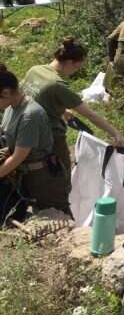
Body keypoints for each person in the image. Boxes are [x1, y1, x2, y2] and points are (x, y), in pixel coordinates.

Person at [21, 37, 124, 215]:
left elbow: (34, 98)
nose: (77, 71)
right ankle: (61, 212)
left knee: (35, 172)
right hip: (51, 139)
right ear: (69, 62)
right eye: (78, 66)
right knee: (60, 178)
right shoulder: (58, 85)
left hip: (27, 133)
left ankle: (36, 200)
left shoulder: (35, 70)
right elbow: (91, 115)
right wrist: (115, 133)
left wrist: (61, 111)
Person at [0, 64, 61, 216]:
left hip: (42, 177)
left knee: (57, 217)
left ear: (6, 93)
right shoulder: (10, 107)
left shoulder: (29, 115)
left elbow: (19, 156)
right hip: (25, 174)